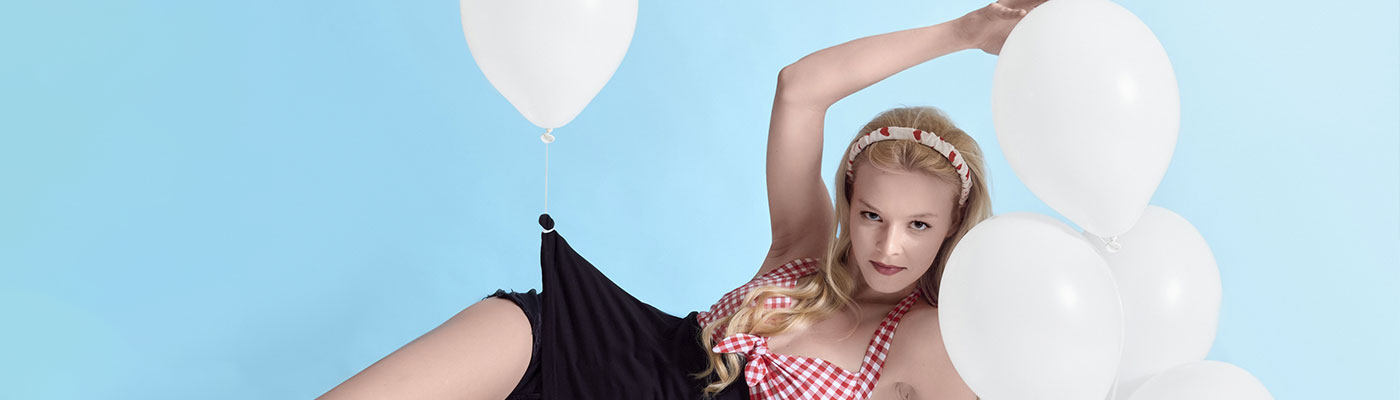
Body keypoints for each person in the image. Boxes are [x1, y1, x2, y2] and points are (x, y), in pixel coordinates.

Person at [319, 1, 1045, 399]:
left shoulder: (932, 341)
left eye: (919, 224)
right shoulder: (799, 250)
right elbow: (801, 86)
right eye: (872, 216)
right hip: (592, 346)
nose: (889, 246)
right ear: (847, 203)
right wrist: (965, 31)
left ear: (953, 227)